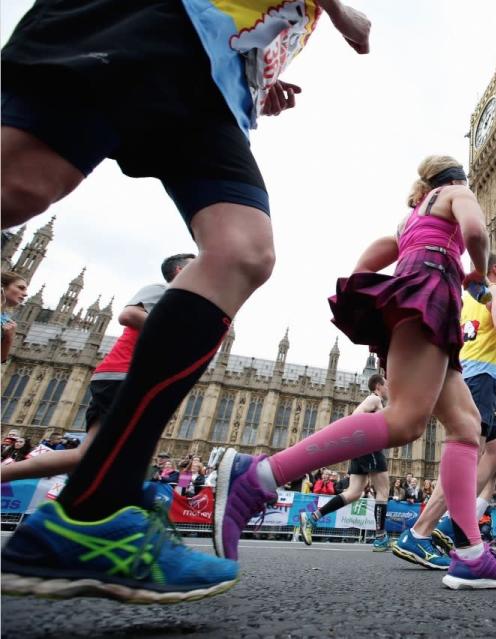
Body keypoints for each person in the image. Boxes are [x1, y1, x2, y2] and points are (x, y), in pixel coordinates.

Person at [0, 0, 372, 602]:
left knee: (244, 251)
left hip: (213, 80)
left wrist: (259, 74)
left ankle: (92, 512)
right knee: (16, 188)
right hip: (152, 19)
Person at [213, 156, 496, 589]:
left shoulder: (411, 217)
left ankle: (471, 554)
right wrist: (474, 270)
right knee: (403, 421)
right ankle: (259, 476)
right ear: (457, 177)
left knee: (465, 426)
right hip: (430, 296)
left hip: (419, 298)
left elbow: (370, 260)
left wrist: (389, 297)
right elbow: (475, 232)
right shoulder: (457, 193)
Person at [0, 255, 193, 485]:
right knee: (126, 452)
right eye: (196, 262)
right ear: (179, 270)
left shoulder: (180, 303)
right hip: (123, 375)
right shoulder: (163, 289)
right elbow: (128, 315)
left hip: (130, 377)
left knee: (92, 454)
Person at [395, 251, 496, 566]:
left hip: (466, 378)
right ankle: (420, 532)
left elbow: (468, 345)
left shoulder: (465, 298)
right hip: (479, 380)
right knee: (467, 460)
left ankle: (451, 524)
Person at [299, 374, 391, 551]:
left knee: (354, 493)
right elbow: (356, 416)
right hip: (369, 447)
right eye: (386, 385)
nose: (388, 388)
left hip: (360, 449)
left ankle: (311, 519)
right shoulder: (374, 399)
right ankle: (380, 538)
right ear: (379, 386)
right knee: (383, 491)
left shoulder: (374, 401)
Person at [1, 271, 27, 363]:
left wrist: (8, 337)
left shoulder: (6, 320)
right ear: (2, 286)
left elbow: (2, 360)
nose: (25, 294)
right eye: (21, 288)